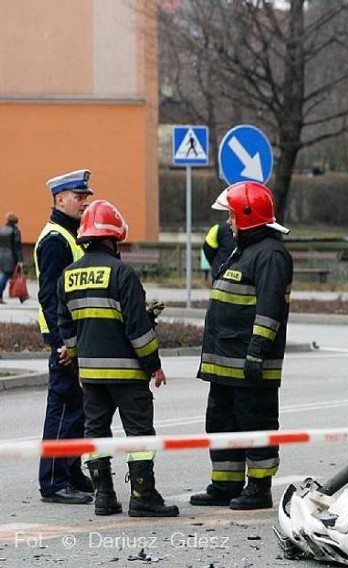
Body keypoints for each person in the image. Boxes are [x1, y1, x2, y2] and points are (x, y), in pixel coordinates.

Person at [56, 200, 178, 518]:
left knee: (95, 432)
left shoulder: (67, 276)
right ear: (112, 238)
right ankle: (142, 497)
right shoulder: (122, 273)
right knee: (139, 434)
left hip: (92, 376)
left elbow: (66, 327)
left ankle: (103, 497)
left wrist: (79, 360)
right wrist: (154, 365)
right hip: (128, 374)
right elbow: (138, 330)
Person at [190, 181, 293, 510]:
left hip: (249, 364)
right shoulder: (245, 250)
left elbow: (269, 310)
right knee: (221, 423)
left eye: (232, 216)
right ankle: (225, 484)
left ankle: (259, 488)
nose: (229, 222)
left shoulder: (271, 255)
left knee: (256, 423)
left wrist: (256, 354)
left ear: (248, 217)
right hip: (224, 365)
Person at [36, 169, 94, 505]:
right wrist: (61, 342)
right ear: (60, 199)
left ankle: (70, 471)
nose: (85, 202)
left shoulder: (72, 235)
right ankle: (54, 481)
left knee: (77, 409)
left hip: (76, 338)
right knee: (62, 409)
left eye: (86, 196)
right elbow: (51, 295)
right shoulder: (56, 239)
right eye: (78, 197)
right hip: (65, 341)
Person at [0, 212, 23, 303]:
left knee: (6, 275)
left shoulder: (2, 230)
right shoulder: (15, 231)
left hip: (1, 255)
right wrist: (20, 260)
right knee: (6, 275)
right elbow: (17, 247)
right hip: (11, 256)